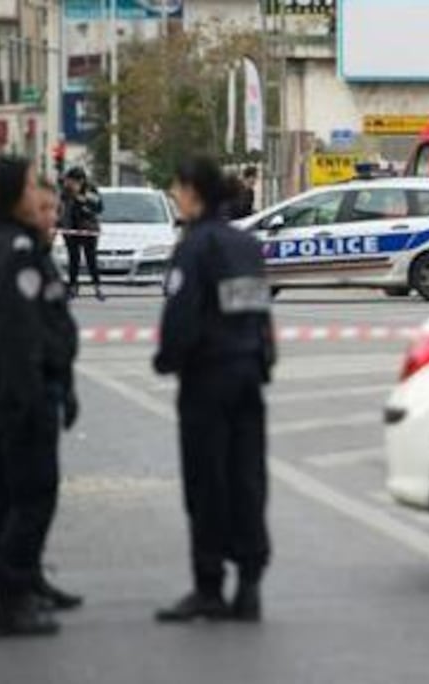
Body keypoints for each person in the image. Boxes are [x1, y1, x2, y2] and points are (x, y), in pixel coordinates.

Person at [0, 158, 82, 638]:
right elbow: (17, 334)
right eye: (31, 187)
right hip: (16, 393)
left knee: (1, 497)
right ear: (12, 195)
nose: (39, 197)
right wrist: (31, 400)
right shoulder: (14, 250)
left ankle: (17, 587)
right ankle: (9, 598)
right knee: (30, 496)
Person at [153, 156, 276, 624]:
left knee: (207, 483)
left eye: (177, 188)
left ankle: (209, 587)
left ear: (193, 193)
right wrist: (262, 364)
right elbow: (259, 312)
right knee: (247, 480)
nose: (174, 195)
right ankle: (249, 584)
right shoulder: (246, 246)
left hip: (207, 381)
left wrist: (167, 361)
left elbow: (181, 318)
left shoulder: (194, 248)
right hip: (247, 376)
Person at [60, 167, 105, 300]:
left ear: (81, 180)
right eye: (69, 181)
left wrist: (82, 198)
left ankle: (97, 287)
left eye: (72, 181)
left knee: (91, 259)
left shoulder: (90, 189)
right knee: (74, 259)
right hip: (70, 228)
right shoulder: (65, 191)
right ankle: (73, 286)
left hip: (88, 229)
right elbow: (61, 207)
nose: (70, 183)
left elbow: (99, 206)